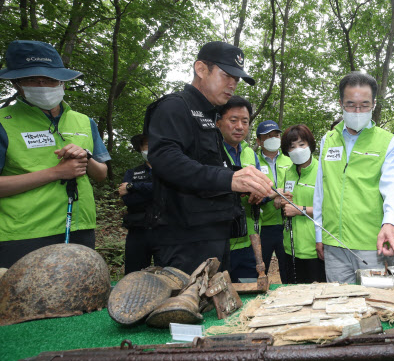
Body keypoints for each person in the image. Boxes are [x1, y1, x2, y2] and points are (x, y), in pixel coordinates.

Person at [144, 41, 273, 275]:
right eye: (227, 75)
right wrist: (229, 178)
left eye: (237, 79)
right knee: (184, 307)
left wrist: (243, 180)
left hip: (214, 233)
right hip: (184, 237)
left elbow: (206, 168)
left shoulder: (209, 116)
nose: (233, 84)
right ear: (201, 69)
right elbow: (165, 160)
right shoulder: (175, 107)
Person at [0, 40, 110, 268]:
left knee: (80, 299)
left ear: (61, 81)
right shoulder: (3, 122)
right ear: (17, 83)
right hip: (23, 234)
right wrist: (56, 172)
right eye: (32, 79)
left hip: (80, 229)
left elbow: (101, 174)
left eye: (49, 78)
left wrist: (85, 158)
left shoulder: (84, 121)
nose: (42, 85)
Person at [313, 71, 394, 283]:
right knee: (339, 305)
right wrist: (320, 234)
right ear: (340, 103)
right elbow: (321, 191)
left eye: (364, 105)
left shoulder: (388, 142)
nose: (357, 111)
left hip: (373, 244)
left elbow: (393, 188)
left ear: (373, 104)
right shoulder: (328, 139)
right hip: (334, 243)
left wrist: (390, 223)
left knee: (378, 304)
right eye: (351, 105)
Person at [216, 96, 262, 283]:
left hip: (247, 242)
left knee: (249, 292)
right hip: (218, 245)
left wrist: (260, 194)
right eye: (233, 120)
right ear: (218, 122)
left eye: (245, 121)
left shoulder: (250, 153)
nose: (240, 126)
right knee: (218, 300)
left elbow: (262, 188)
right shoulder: (211, 151)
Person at [278, 124, 326, 283]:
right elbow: (287, 203)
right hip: (290, 246)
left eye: (301, 144)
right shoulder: (289, 172)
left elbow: (329, 208)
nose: (297, 149)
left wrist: (300, 210)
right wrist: (280, 201)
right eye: (292, 146)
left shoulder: (322, 170)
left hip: (314, 247)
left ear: (310, 145)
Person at [256, 120, 292, 283]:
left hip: (287, 225)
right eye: (268, 136)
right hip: (263, 227)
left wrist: (284, 198)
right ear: (259, 141)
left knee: (288, 270)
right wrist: (274, 195)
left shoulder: (290, 160)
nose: (273, 139)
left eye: (276, 135)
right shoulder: (254, 162)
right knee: (260, 270)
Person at [118, 133, 155, 274]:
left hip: (165, 229)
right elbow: (128, 200)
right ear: (140, 148)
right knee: (133, 275)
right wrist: (152, 192)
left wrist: (133, 187)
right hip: (137, 229)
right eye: (146, 145)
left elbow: (166, 192)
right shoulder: (132, 173)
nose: (149, 149)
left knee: (169, 276)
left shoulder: (169, 170)